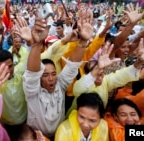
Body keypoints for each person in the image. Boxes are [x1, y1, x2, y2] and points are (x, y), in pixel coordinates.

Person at [22, 10, 94, 138]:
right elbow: (31, 74)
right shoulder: (32, 92)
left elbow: (72, 66)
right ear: (38, 78)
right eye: (45, 75)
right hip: (37, 137)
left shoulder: (60, 85)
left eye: (53, 74)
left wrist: (83, 41)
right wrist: (37, 44)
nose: (51, 79)